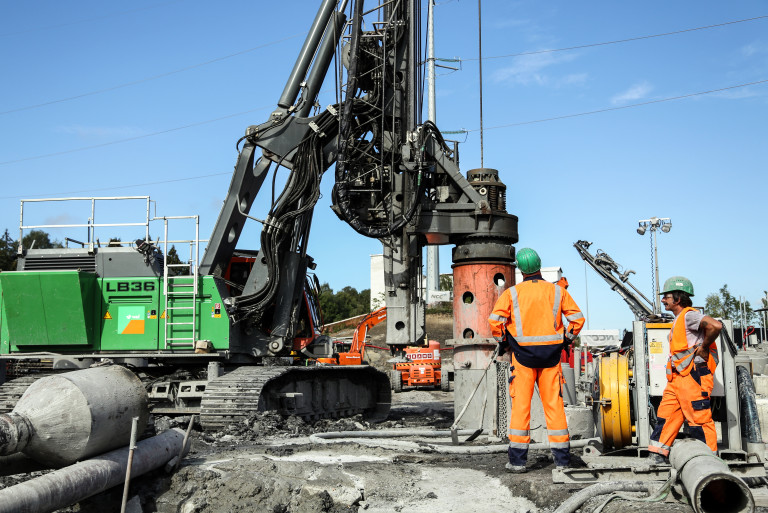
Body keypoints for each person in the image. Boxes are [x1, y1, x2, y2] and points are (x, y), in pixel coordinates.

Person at [488, 248, 585, 473]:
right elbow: (577, 320)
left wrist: (505, 342)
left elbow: (495, 322)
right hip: (551, 357)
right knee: (555, 407)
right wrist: (566, 340)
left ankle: (517, 462)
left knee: (521, 408)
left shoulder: (512, 293)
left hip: (522, 358)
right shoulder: (557, 291)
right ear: (539, 266)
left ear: (520, 270)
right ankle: (562, 461)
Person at [648, 276, 722, 462]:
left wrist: (704, 347)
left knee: (698, 418)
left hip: (692, 376)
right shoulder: (680, 318)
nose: (663, 300)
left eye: (666, 296)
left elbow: (715, 326)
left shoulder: (689, 315)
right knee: (667, 416)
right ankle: (657, 455)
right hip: (677, 379)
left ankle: (707, 461)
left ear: (678, 299)